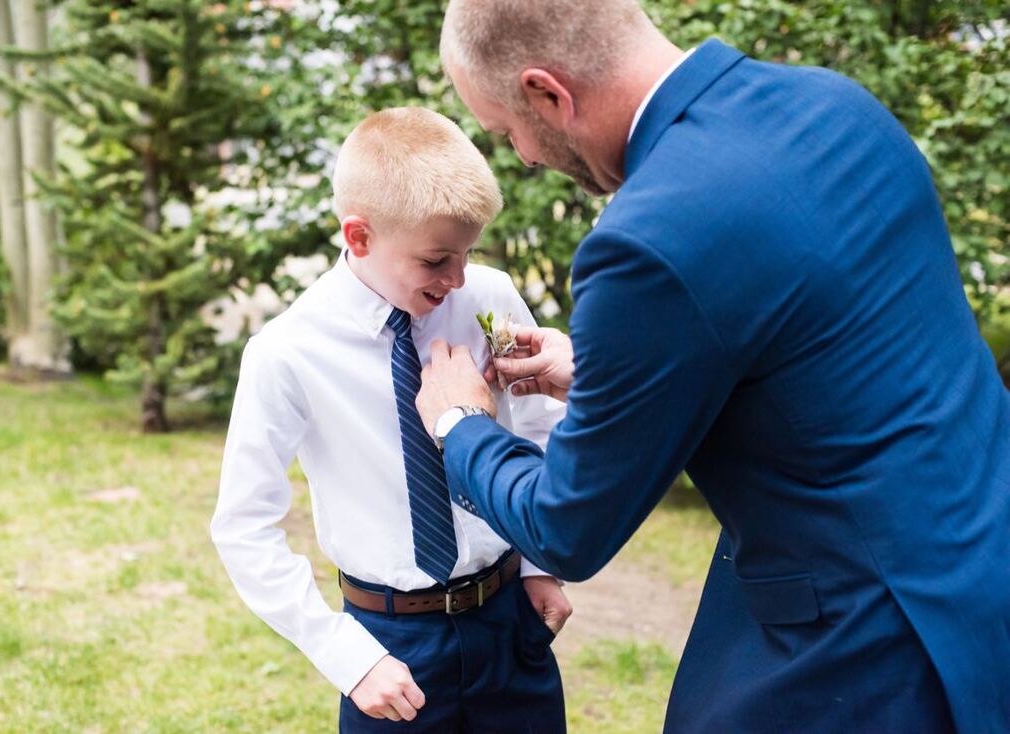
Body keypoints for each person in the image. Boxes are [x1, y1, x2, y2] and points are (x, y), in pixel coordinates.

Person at [415, 1, 1010, 732]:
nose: (525, 157)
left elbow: (567, 525)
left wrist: (461, 421)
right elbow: (827, 342)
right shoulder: (836, 104)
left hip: (870, 644)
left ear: (547, 93)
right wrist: (610, 374)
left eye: (508, 133)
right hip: (983, 551)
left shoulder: (645, 241)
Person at [210, 106, 571, 733]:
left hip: (510, 622)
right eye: (436, 261)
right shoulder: (287, 352)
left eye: (467, 253)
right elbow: (244, 526)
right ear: (359, 237)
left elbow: (539, 426)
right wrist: (344, 656)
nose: (458, 278)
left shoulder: (487, 298)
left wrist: (540, 565)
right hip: (390, 646)